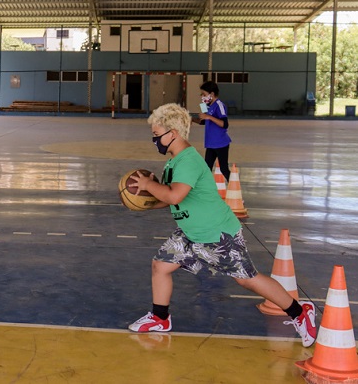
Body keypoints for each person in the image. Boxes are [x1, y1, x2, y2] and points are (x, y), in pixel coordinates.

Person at [127, 103, 317, 347]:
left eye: (156, 134)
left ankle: (300, 313)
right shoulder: (174, 162)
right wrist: (144, 202)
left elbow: (174, 196)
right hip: (191, 233)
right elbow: (170, 198)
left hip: (217, 233)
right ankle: (160, 317)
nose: (154, 139)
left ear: (172, 133)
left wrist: (148, 185)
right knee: (161, 266)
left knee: (247, 279)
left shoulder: (189, 161)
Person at [192, 81, 231, 181]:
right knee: (206, 168)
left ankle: (233, 185)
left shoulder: (219, 105)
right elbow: (203, 122)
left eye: (204, 94)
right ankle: (204, 190)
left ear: (212, 94)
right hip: (210, 144)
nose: (202, 97)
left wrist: (209, 116)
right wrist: (190, 119)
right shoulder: (206, 105)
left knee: (223, 169)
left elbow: (224, 124)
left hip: (220, 143)